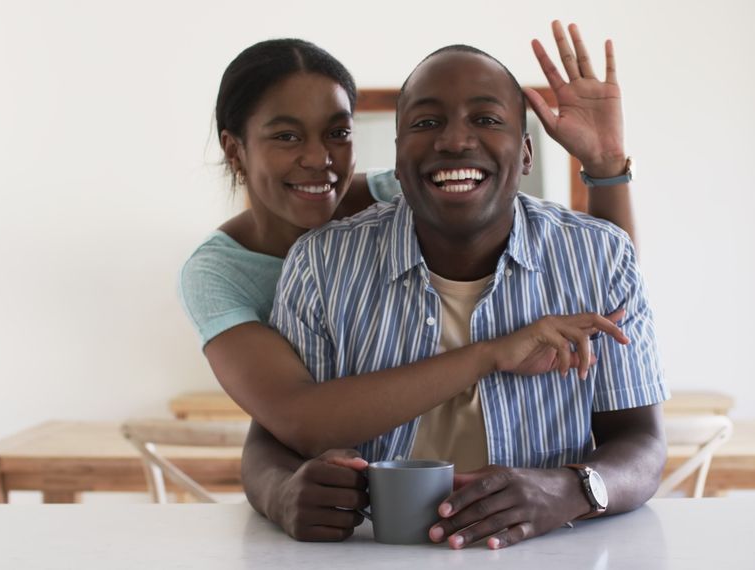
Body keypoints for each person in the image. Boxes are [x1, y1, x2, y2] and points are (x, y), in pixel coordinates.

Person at [179, 23, 643, 541]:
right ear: (235, 149)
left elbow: (602, 279)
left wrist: (604, 169)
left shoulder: (422, 184)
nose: (319, 160)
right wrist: (281, 492)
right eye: (286, 136)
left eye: (338, 133)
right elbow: (289, 422)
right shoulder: (257, 269)